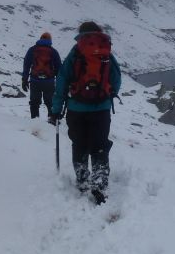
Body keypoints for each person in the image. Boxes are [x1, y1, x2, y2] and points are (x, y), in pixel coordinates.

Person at [49, 22, 121, 203]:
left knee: (79, 144)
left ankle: (82, 181)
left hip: (76, 109)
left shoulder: (75, 54)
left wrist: (56, 110)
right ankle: (100, 184)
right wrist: (107, 95)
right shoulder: (106, 54)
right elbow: (116, 79)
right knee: (100, 146)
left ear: (80, 35)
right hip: (102, 110)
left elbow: (62, 82)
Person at [22, 32, 62, 119]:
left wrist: (24, 79)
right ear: (50, 40)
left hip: (35, 80)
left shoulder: (32, 50)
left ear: (40, 39)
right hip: (49, 81)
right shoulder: (53, 51)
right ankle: (52, 120)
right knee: (50, 102)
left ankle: (35, 121)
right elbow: (59, 68)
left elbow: (26, 65)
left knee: (34, 102)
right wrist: (60, 83)